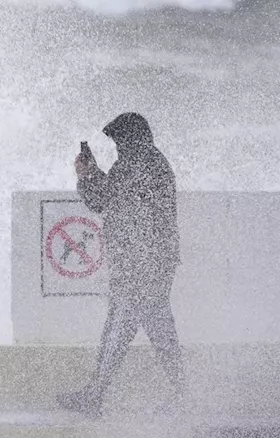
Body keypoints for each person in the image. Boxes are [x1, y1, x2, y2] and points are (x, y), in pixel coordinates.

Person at [57, 112, 185, 417]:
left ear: (129, 139)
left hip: (141, 266)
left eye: (118, 142)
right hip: (153, 264)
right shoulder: (153, 162)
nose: (117, 148)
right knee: (158, 331)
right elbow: (116, 198)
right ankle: (182, 395)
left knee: (120, 329)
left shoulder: (134, 164)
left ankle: (95, 395)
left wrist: (86, 174)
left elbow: (102, 198)